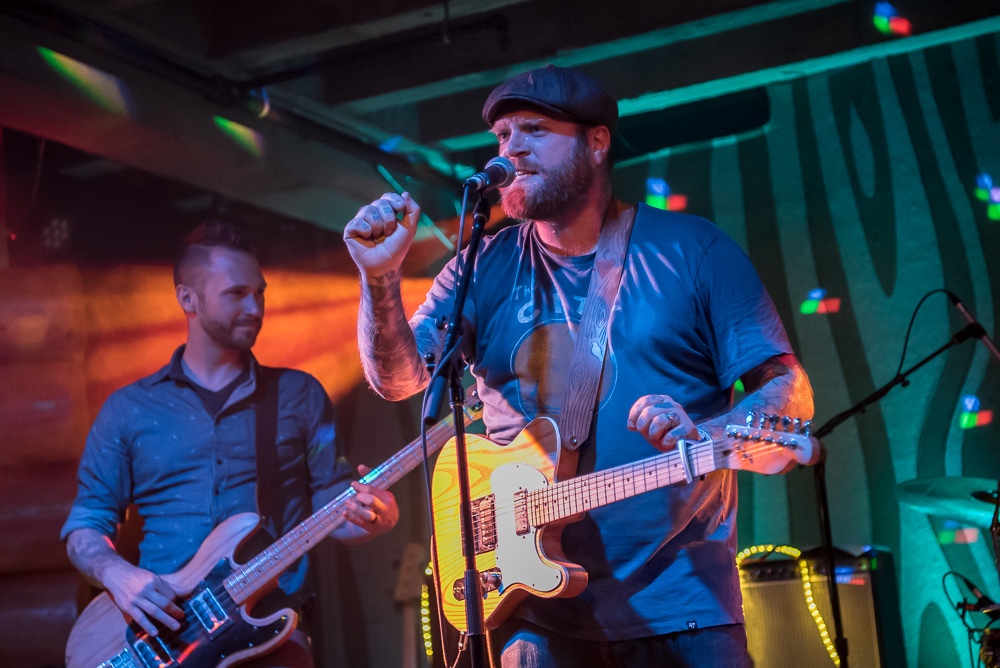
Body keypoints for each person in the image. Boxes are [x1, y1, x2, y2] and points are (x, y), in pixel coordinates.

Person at [343, 65, 813, 667]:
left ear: (596, 143)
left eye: (533, 130)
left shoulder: (693, 250)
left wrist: (709, 435)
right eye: (502, 136)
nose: (511, 149)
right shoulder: (479, 265)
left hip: (682, 602)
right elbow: (401, 380)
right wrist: (379, 280)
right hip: (529, 609)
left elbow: (788, 390)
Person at [62, 221, 399, 668]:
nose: (254, 307)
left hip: (271, 627)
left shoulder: (299, 394)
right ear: (188, 299)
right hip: (162, 636)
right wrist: (118, 574)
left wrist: (375, 517)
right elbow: (86, 523)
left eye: (259, 293)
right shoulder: (129, 408)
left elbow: (335, 508)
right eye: (236, 294)